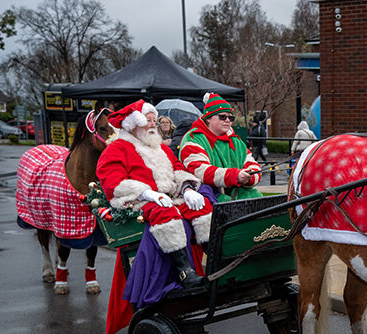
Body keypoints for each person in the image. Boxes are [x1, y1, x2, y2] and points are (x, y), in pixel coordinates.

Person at [97, 99, 212, 288]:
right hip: (138, 201)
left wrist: (188, 189)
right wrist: (147, 194)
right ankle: (185, 271)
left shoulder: (161, 147)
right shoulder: (117, 148)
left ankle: (216, 264)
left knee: (202, 207)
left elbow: (177, 169)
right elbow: (113, 183)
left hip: (170, 196)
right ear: (133, 124)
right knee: (165, 213)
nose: (153, 124)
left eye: (154, 120)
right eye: (147, 120)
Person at [179, 92, 262, 201]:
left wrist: (249, 177)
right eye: (222, 117)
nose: (227, 120)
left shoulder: (235, 141)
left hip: (235, 189)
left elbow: (252, 164)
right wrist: (234, 175)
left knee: (256, 199)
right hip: (204, 192)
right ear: (208, 118)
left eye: (230, 118)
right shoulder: (194, 138)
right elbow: (200, 170)